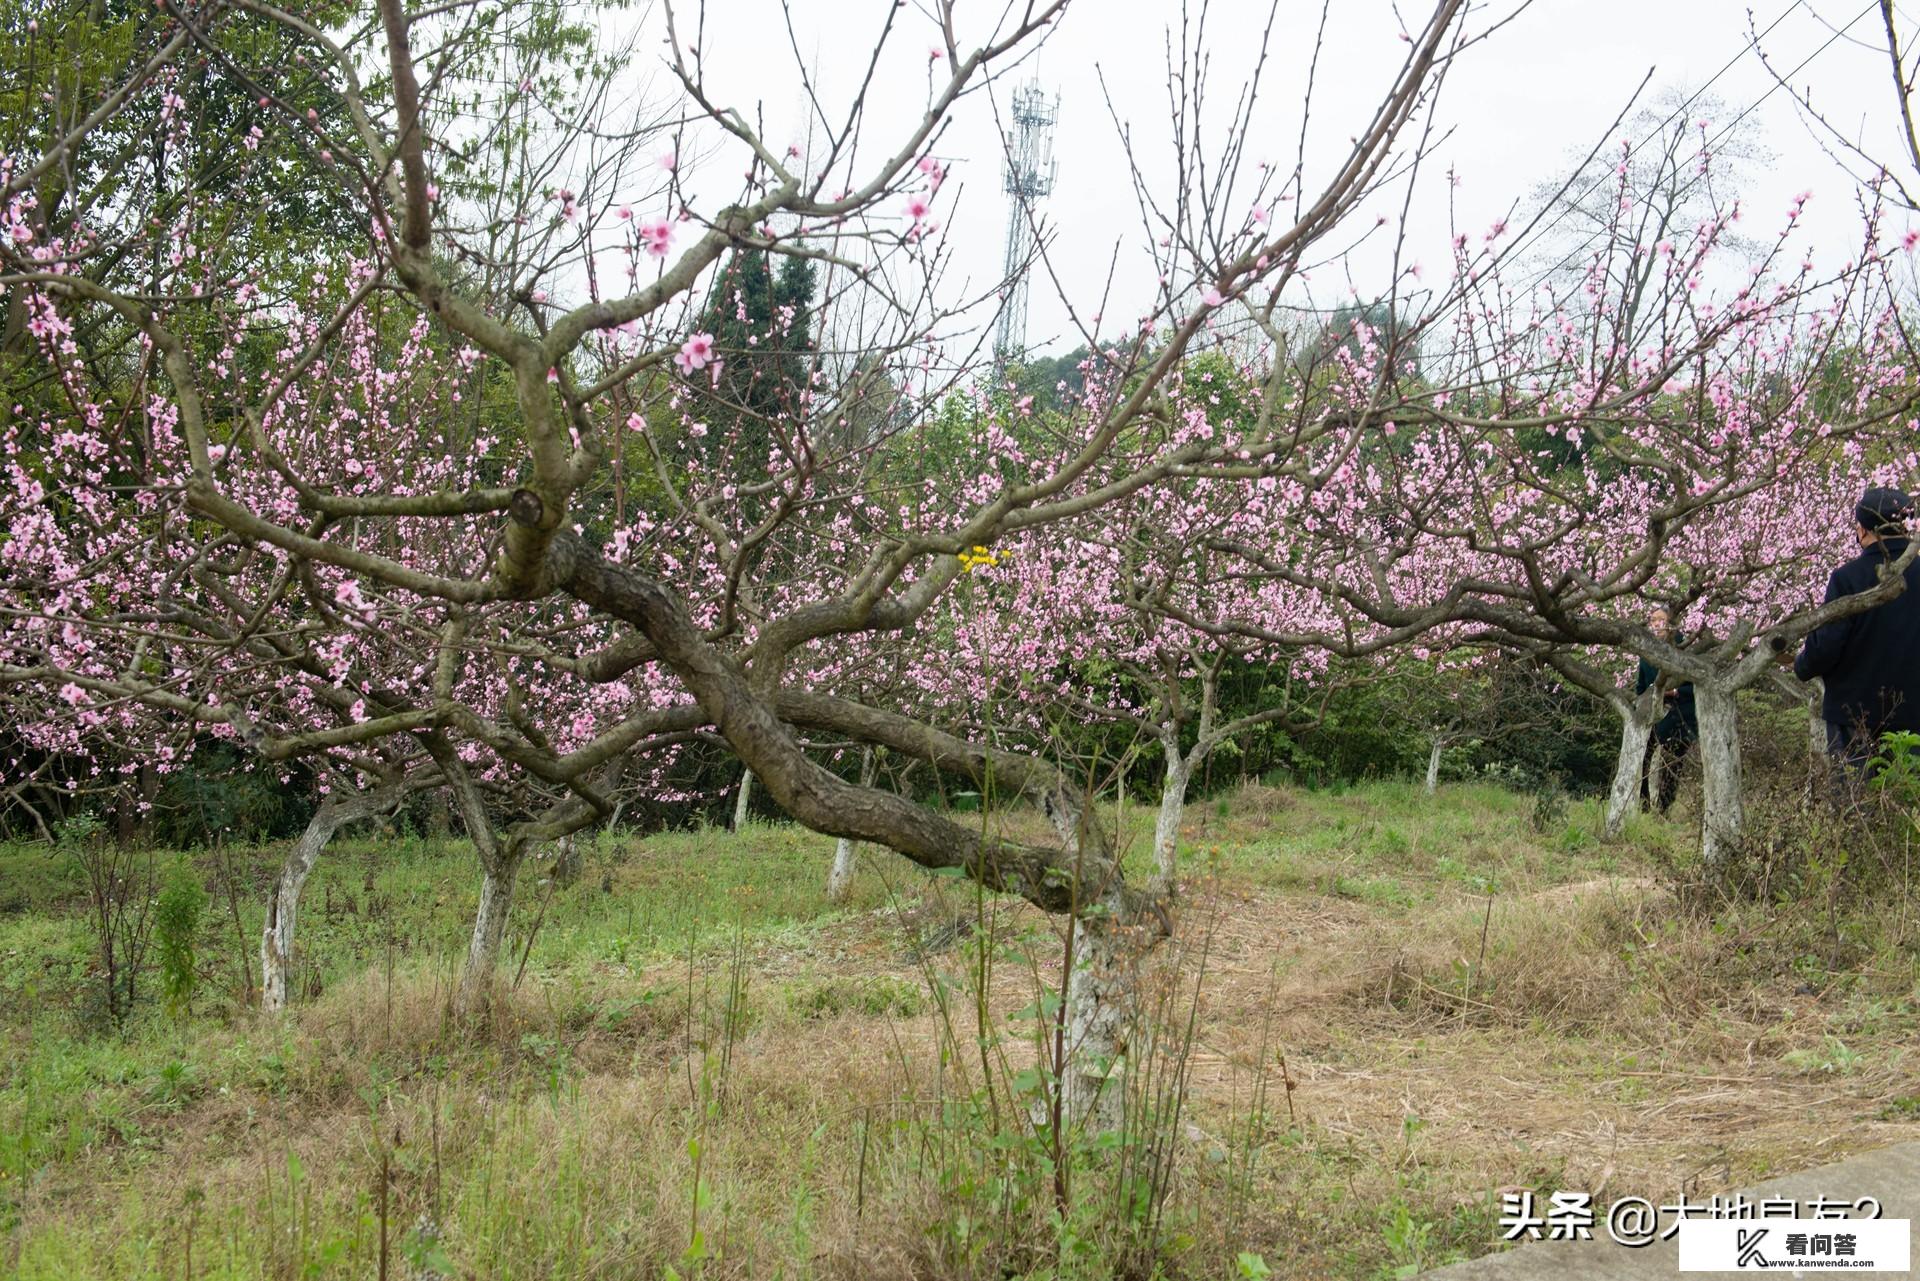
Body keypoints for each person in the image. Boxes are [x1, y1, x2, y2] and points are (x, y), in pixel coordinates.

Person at [1793, 486, 1920, 767]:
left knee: (1856, 804)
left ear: (1863, 530)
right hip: (1915, 717)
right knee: (1910, 801)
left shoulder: (1847, 578)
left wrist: (1802, 666)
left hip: (1854, 715)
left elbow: (1825, 647)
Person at [1636, 606, 1696, 813]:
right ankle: (1643, 803)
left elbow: (1696, 684)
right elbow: (1640, 686)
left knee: (1672, 762)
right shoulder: (1647, 651)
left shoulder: (1684, 647)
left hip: (1681, 713)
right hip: (1654, 712)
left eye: (1660, 620)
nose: (1656, 624)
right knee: (1643, 756)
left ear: (1670, 623)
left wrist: (1676, 691)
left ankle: (1664, 808)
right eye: (1652, 620)